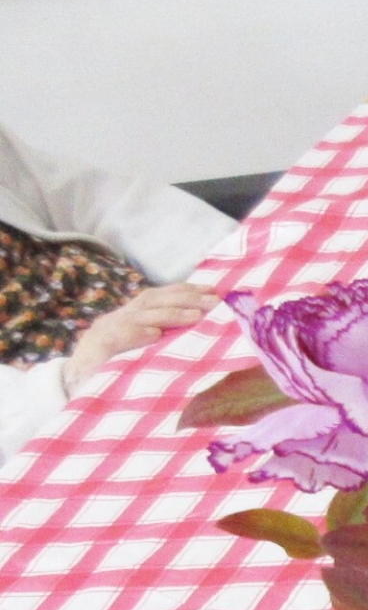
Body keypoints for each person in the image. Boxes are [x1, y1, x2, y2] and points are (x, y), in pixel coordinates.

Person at [1, 124, 234, 466]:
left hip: (157, 322)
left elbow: (100, 202)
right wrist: (68, 381)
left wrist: (231, 260)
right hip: (62, 428)